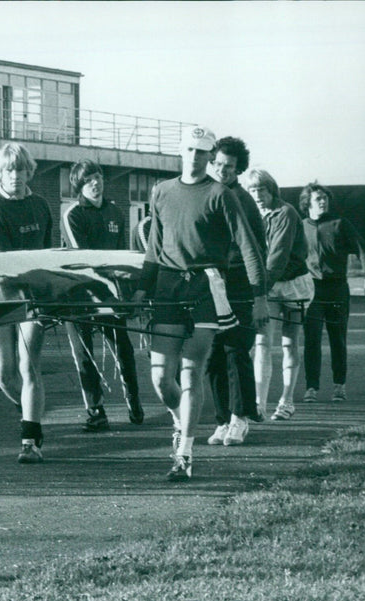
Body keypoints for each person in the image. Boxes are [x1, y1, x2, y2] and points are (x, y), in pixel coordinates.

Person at [133, 125, 268, 481]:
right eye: (190, 150)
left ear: (210, 156)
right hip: (167, 288)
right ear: (181, 151)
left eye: (202, 152)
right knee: (162, 378)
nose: (195, 157)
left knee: (193, 372)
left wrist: (259, 297)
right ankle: (182, 421)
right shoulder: (160, 191)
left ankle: (185, 455)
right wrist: (141, 289)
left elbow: (250, 247)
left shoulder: (221, 194)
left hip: (207, 289)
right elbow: (153, 248)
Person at [0, 142, 53, 463]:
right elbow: (3, 264)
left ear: (29, 172)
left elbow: (47, 254)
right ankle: (29, 413)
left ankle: (29, 440)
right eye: (9, 170)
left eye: (20, 169)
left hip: (33, 298)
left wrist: (47, 296)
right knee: (4, 374)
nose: (15, 176)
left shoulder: (41, 206)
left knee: (28, 366)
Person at [60, 159, 143, 431]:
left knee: (123, 348)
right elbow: (83, 260)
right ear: (79, 186)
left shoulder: (115, 213)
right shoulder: (72, 214)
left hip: (111, 294)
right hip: (80, 295)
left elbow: (121, 256)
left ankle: (133, 400)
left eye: (97, 177)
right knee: (84, 353)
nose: (94, 183)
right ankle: (96, 410)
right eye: (87, 180)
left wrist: (122, 294)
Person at [204, 137, 267, 447]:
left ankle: (240, 418)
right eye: (217, 164)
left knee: (235, 351)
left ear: (238, 167)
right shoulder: (206, 194)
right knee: (212, 354)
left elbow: (259, 250)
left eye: (229, 166)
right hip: (210, 285)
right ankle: (221, 419)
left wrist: (259, 295)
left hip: (240, 286)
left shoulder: (244, 201)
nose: (222, 170)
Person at [299, 182, 365, 403]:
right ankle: (311, 387)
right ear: (308, 203)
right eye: (318, 198)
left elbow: (362, 248)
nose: (323, 201)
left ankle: (339, 386)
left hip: (337, 289)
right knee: (311, 340)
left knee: (337, 339)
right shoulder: (301, 226)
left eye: (325, 198)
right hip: (312, 290)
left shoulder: (340, 224)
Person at [246, 168, 313, 421]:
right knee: (262, 341)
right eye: (252, 190)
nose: (256, 195)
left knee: (289, 342)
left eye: (261, 189)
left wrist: (258, 290)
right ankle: (258, 404)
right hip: (269, 285)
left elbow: (278, 255)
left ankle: (287, 400)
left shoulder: (286, 213)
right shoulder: (253, 213)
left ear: (271, 189)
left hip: (294, 283)